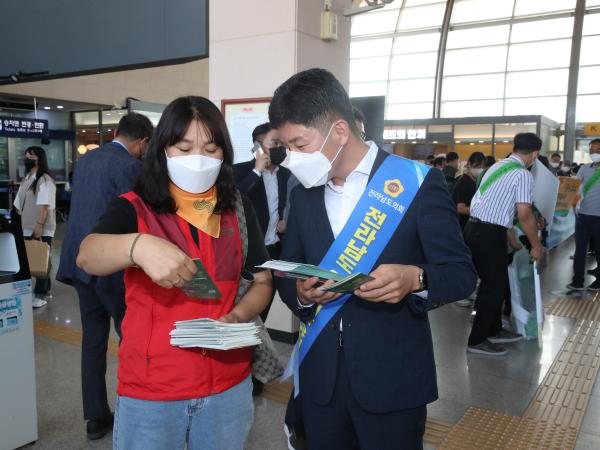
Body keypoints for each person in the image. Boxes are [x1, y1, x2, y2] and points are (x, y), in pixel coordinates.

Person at [270, 68, 476, 449]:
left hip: (392, 379)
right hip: (320, 378)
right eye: (286, 147)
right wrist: (301, 293)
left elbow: (462, 274)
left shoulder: (416, 183)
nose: (292, 158)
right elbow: (288, 267)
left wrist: (416, 278)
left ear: (340, 131)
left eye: (299, 144)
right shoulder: (303, 194)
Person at [76, 96, 272, 450]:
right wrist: (137, 246)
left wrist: (237, 316)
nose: (198, 159)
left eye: (211, 149)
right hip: (153, 392)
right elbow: (88, 255)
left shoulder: (236, 209)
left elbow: (262, 280)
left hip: (227, 387)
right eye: (184, 148)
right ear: (162, 149)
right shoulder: (134, 207)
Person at [56, 113, 153, 440]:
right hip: (113, 269)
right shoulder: (130, 167)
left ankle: (96, 418)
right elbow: (137, 216)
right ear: (143, 142)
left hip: (82, 264)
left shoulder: (88, 159)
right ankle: (138, 411)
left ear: (115, 132)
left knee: (93, 343)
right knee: (133, 340)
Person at [465, 133, 544, 356]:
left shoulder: (497, 167)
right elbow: (524, 214)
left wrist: (510, 238)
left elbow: (497, 206)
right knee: (494, 286)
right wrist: (536, 245)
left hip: (474, 229)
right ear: (535, 154)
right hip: (488, 233)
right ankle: (477, 340)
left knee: (494, 283)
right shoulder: (522, 174)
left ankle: (493, 329)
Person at [233, 122, 290, 321]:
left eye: (282, 143)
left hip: (274, 251)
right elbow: (234, 201)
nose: (280, 148)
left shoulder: (286, 175)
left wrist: (286, 222)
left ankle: (258, 348)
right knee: (243, 309)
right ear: (257, 145)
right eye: (274, 142)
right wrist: (256, 172)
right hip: (248, 252)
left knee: (263, 307)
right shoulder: (239, 171)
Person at [13, 146, 56, 308]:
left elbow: (44, 205)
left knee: (41, 257)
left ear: (38, 158)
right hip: (26, 225)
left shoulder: (44, 179)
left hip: (40, 226)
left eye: (29, 156)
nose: (26, 159)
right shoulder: (27, 178)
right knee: (36, 258)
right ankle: (46, 289)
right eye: (25, 156)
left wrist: (39, 225)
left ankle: (41, 293)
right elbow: (19, 203)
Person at [567, 139, 600, 291]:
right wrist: (573, 205)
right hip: (583, 217)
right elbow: (575, 189)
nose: (594, 153)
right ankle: (577, 280)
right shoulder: (584, 169)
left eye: (597, 150)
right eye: (592, 150)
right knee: (580, 250)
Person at [453, 152, 485, 230]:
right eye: (476, 166)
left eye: (481, 166)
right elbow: (461, 208)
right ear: (469, 164)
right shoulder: (464, 182)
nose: (479, 169)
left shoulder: (475, 182)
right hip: (462, 227)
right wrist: (482, 210)